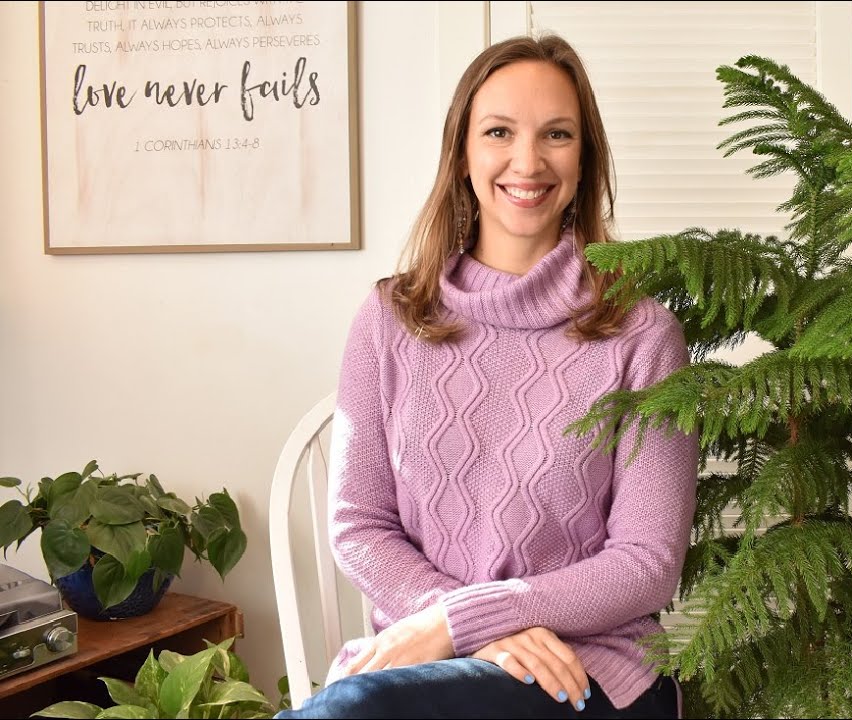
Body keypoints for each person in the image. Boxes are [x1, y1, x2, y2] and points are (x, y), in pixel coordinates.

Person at [276, 34, 698, 720]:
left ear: (584, 158)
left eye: (556, 134)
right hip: (426, 666)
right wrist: (468, 629)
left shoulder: (642, 335)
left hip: (586, 672)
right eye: (499, 132)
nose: (527, 161)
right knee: (361, 707)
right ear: (462, 153)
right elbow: (360, 523)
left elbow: (646, 564)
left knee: (356, 710)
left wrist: (461, 620)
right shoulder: (389, 319)